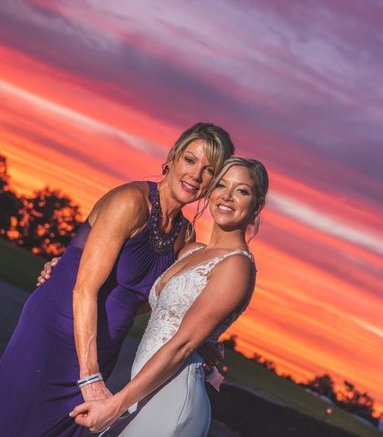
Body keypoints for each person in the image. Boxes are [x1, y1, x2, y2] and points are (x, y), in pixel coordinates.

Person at [0, 123, 234, 436]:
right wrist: (90, 377)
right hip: (55, 336)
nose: (195, 175)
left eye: (209, 170)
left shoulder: (184, 235)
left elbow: (154, 301)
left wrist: (204, 338)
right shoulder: (130, 202)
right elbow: (84, 289)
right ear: (173, 158)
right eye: (190, 160)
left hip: (102, 349)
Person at [70, 157, 268, 436]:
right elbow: (132, 283)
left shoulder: (236, 265)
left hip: (172, 400)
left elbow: (183, 344)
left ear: (257, 204)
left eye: (242, 190)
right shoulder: (190, 251)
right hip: (143, 392)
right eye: (221, 184)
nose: (227, 196)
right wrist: (62, 269)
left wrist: (114, 406)